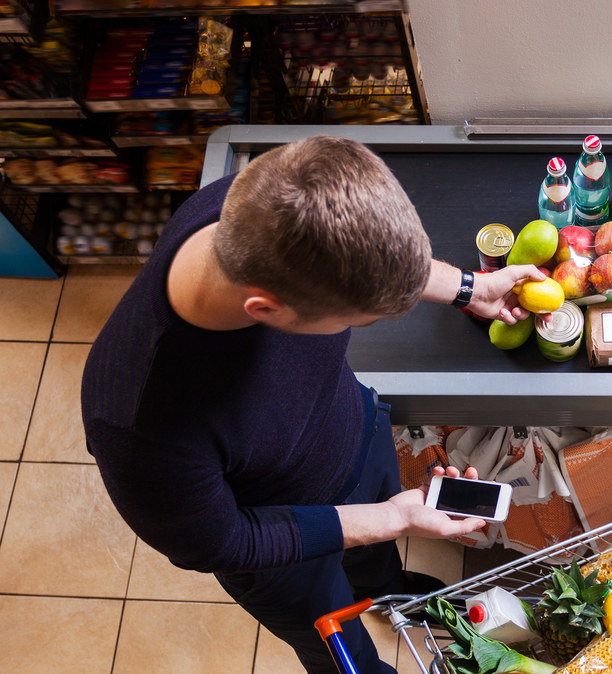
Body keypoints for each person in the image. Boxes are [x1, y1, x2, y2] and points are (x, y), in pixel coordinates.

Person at [81, 135, 542, 673]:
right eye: (355, 321)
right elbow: (221, 543)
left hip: (355, 434)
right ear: (267, 309)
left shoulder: (264, 203)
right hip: (286, 550)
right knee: (344, 657)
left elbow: (376, 259)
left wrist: (469, 288)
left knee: (379, 570)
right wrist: (388, 518)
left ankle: (390, 594)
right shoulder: (140, 425)